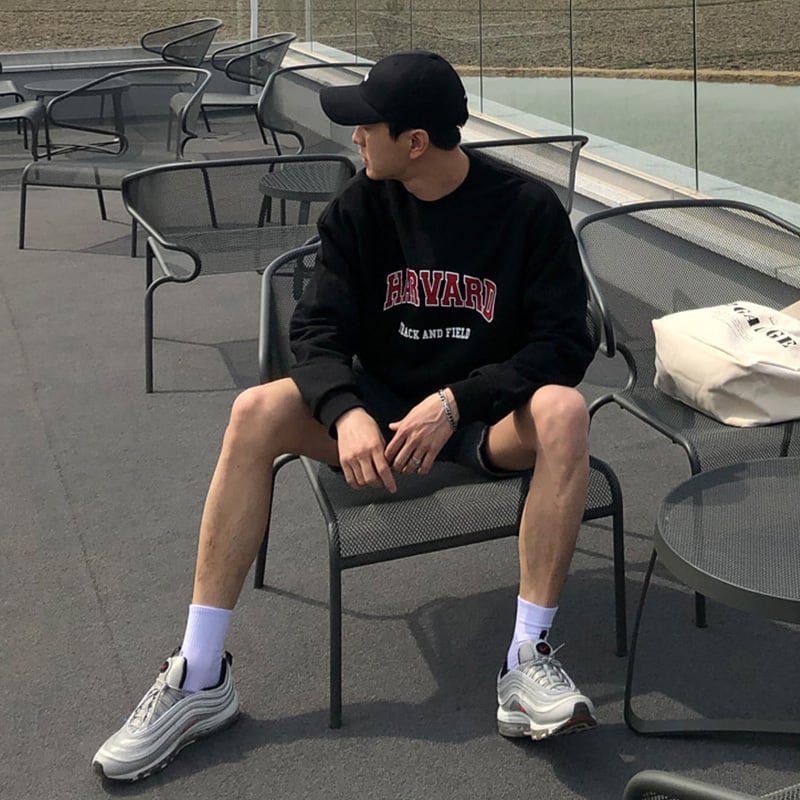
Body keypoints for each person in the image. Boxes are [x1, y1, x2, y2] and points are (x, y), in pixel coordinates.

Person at [93, 50, 597, 782]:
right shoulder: (360, 208)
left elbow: (564, 343)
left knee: (564, 410)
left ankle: (527, 660)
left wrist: (458, 400)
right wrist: (347, 409)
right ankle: (200, 676)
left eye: (367, 125)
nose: (354, 137)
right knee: (255, 410)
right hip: (380, 422)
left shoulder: (527, 209)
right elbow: (316, 331)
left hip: (483, 422)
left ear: (415, 142)